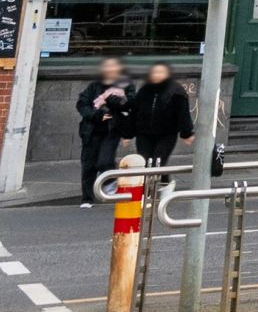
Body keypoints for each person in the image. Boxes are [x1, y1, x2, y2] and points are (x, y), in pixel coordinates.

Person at [75, 57, 132, 207]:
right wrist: (97, 115)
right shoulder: (94, 86)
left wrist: (114, 100)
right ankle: (87, 198)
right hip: (91, 130)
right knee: (88, 165)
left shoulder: (125, 85)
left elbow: (129, 105)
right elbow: (82, 104)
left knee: (104, 161)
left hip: (112, 130)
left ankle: (111, 180)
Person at [127, 61, 194, 170]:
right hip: (144, 134)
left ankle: (162, 178)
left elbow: (183, 114)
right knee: (144, 162)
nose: (157, 75)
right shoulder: (144, 90)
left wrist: (187, 133)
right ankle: (159, 179)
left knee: (158, 162)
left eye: (161, 72)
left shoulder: (176, 91)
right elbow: (135, 112)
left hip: (166, 134)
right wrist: (128, 134)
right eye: (154, 72)